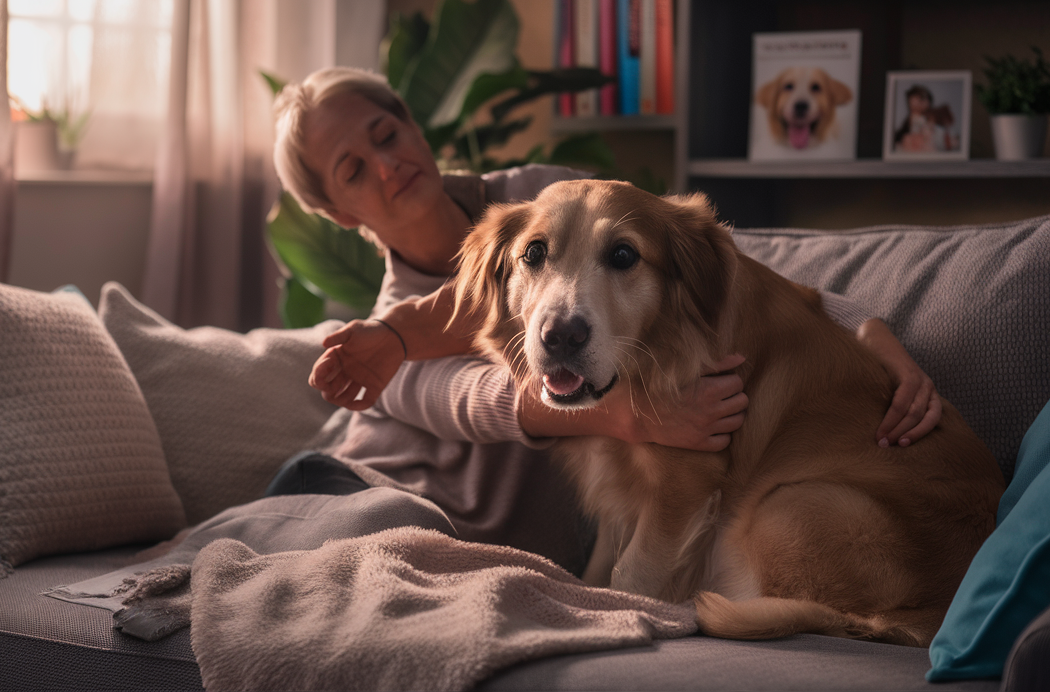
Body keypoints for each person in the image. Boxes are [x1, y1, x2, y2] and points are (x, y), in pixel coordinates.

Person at [272, 66, 941, 574]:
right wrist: (630, 416)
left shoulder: (542, 198)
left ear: (415, 126)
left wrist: (868, 332)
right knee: (342, 544)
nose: (388, 165)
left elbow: (732, 264)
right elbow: (477, 399)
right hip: (365, 492)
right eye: (353, 170)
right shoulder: (382, 341)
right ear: (340, 215)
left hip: (463, 535)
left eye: (387, 135)